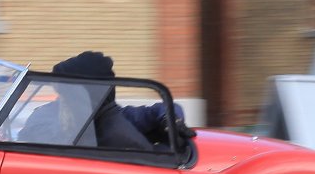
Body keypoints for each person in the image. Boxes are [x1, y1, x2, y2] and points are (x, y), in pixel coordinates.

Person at [19, 50, 190, 151]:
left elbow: (161, 110)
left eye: (64, 92)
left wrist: (170, 119)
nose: (59, 99)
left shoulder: (115, 133)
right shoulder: (87, 117)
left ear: (80, 97)